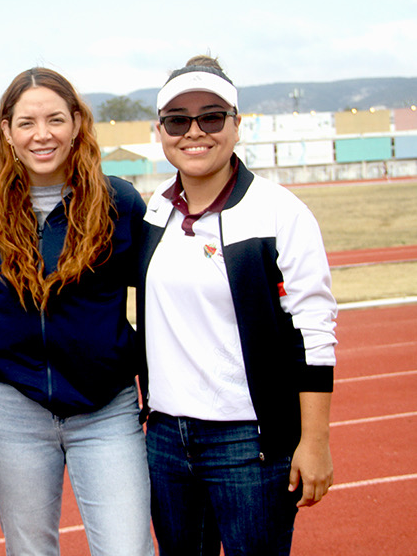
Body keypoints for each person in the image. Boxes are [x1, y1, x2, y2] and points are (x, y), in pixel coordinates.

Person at [138, 55, 337, 555]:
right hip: (164, 438)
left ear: (236, 125)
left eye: (211, 116)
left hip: (249, 444)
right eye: (178, 120)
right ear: (161, 131)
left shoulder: (280, 212)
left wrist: (313, 442)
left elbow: (313, 332)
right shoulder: (155, 209)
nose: (194, 132)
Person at [0, 68, 154, 556]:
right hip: (13, 410)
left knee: (127, 549)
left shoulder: (119, 201)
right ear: (6, 131)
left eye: (54, 119)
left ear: (77, 123)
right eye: (26, 122)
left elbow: (161, 296)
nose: (42, 134)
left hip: (106, 409)